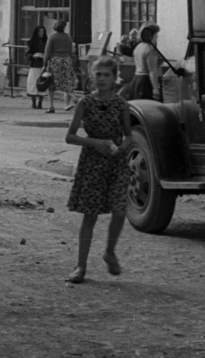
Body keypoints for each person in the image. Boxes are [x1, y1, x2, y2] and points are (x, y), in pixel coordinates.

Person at [63, 56, 133, 283]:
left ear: (114, 78)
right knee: (90, 216)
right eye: (98, 74)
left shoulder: (122, 105)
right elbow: (70, 136)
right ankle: (80, 267)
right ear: (92, 76)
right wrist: (95, 143)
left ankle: (109, 251)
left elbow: (129, 135)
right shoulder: (85, 103)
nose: (102, 79)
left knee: (120, 210)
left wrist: (122, 147)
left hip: (116, 163)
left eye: (107, 75)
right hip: (92, 163)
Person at [128, 24, 183, 100]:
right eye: (156, 34)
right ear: (150, 34)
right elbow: (152, 71)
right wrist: (156, 89)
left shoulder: (138, 46)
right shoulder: (150, 49)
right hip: (147, 82)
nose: (157, 37)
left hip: (137, 81)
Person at [43, 19, 78, 114]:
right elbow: (71, 51)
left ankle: (51, 106)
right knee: (67, 82)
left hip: (55, 61)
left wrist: (44, 64)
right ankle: (67, 103)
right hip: (66, 60)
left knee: (51, 83)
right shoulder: (68, 37)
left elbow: (47, 52)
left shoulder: (52, 37)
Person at [27, 24, 49, 110]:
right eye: (40, 32)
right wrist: (33, 55)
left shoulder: (46, 41)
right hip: (34, 65)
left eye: (43, 31)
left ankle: (40, 102)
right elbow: (27, 53)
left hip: (43, 65)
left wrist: (45, 57)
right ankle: (33, 102)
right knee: (33, 84)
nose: (41, 33)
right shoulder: (31, 42)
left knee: (42, 84)